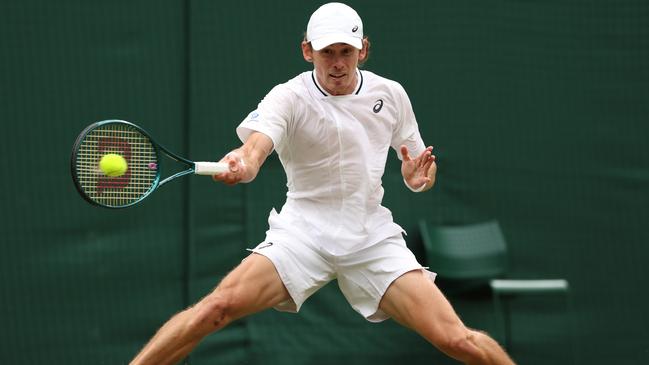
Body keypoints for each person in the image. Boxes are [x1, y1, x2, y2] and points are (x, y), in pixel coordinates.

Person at [130, 3, 515, 365]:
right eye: (326, 52)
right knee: (215, 309)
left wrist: (417, 181)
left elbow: (416, 169)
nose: (336, 63)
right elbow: (256, 147)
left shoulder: (391, 95)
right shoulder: (289, 97)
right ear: (306, 51)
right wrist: (244, 161)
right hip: (304, 234)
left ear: (363, 50)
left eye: (345, 52)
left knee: (456, 341)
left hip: (371, 238)